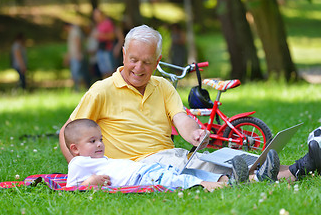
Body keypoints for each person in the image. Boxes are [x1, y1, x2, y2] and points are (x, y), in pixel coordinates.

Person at [59, 24, 321, 184]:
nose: (139, 68)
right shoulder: (102, 90)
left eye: (147, 62)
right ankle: (300, 168)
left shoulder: (162, 86)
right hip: (141, 166)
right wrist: (82, 171)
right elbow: (67, 130)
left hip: (174, 157)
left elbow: (180, 118)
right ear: (124, 54)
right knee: (214, 167)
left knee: (230, 157)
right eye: (134, 59)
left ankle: (300, 167)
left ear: (158, 60)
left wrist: (194, 133)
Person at [63, 119, 261, 191]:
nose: (99, 144)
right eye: (92, 141)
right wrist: (91, 182)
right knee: (181, 179)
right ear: (75, 149)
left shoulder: (99, 160)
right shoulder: (78, 163)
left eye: (100, 139)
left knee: (193, 172)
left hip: (148, 169)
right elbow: (71, 187)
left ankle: (232, 179)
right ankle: (215, 186)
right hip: (142, 177)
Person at [63, 22, 91, 91]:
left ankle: (79, 89)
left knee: (78, 73)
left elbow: (78, 42)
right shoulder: (74, 31)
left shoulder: (75, 31)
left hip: (77, 56)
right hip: (74, 56)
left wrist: (78, 53)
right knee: (77, 73)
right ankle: (79, 88)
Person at [92, 8, 116, 79]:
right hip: (101, 49)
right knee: (103, 70)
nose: (96, 17)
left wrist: (100, 35)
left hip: (107, 49)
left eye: (97, 15)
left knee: (110, 70)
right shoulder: (98, 24)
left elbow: (112, 36)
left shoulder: (108, 23)